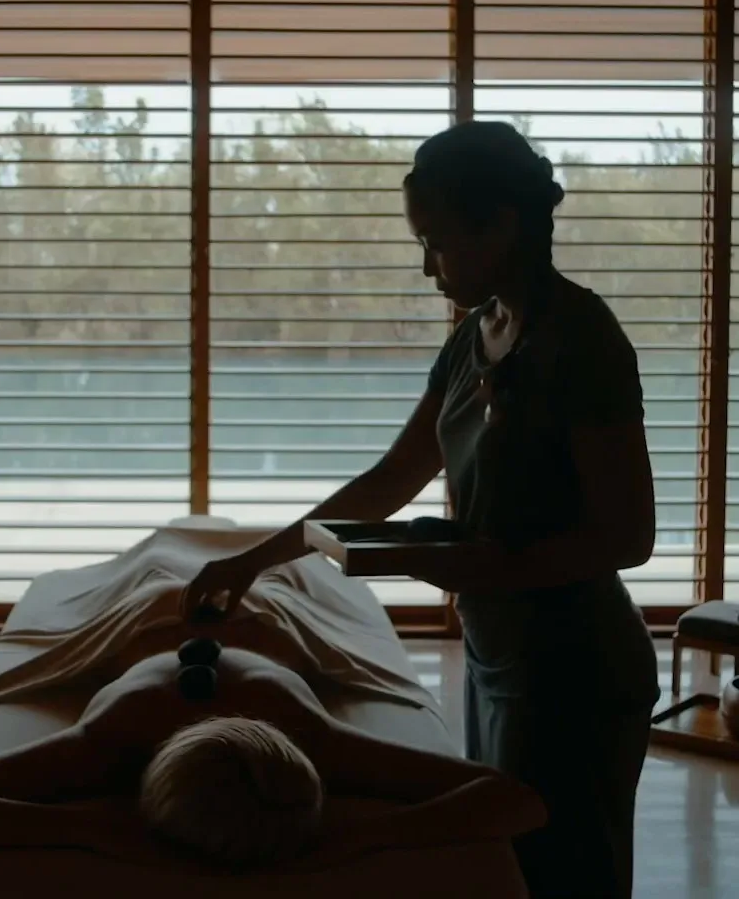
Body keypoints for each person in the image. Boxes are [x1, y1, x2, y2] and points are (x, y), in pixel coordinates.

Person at [181, 120, 661, 898]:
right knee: (508, 866)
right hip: (498, 650)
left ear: (499, 225)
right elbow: (392, 477)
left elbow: (628, 537)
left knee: (563, 877)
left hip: (577, 667)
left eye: (436, 243)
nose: (427, 265)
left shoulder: (584, 342)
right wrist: (252, 564)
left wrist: (480, 565)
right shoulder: (474, 336)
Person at [0, 640, 543, 869]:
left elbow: (518, 801)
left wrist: (366, 836)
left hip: (273, 638)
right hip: (137, 635)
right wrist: (80, 828)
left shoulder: (314, 741)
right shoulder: (111, 740)